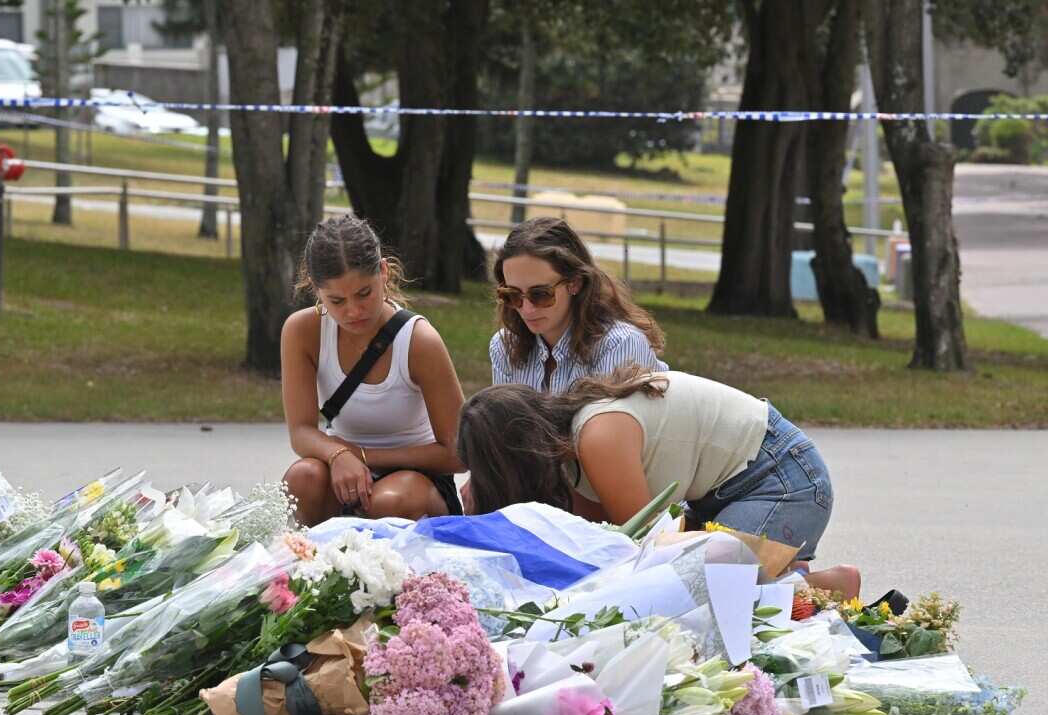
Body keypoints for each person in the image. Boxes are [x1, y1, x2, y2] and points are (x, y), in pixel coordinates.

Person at [456, 366, 860, 597]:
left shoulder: (598, 438)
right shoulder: (573, 449)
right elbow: (591, 535)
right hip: (730, 489)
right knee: (706, 589)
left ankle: (823, 585)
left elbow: (643, 548)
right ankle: (781, 577)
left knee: (705, 594)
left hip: (782, 480)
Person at [281, 215, 466, 526]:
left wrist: (361, 456)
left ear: (383, 271)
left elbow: (458, 453)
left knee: (387, 502)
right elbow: (300, 432)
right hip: (343, 467)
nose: (353, 311)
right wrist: (338, 455)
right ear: (316, 289)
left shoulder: (419, 340)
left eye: (364, 293)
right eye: (337, 301)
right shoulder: (302, 330)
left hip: (419, 478)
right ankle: (313, 557)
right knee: (301, 480)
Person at [489, 217, 668, 394]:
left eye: (540, 294)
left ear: (575, 283)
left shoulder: (620, 344)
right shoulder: (505, 346)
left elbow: (611, 415)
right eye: (512, 295)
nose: (527, 309)